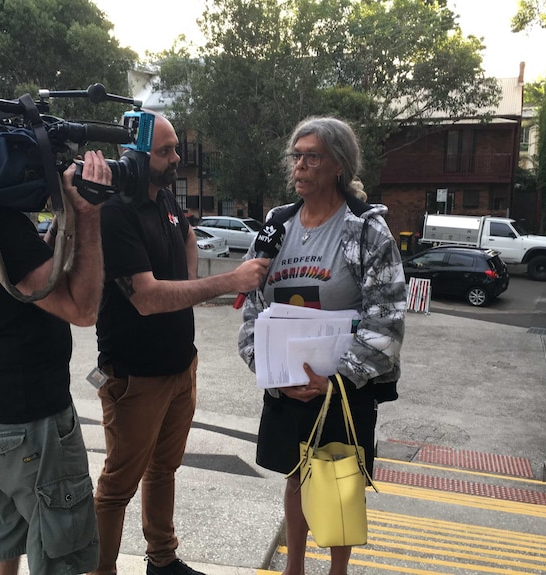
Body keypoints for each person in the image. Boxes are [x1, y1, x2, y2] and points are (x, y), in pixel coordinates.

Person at [0, 78, 112, 575]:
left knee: (3, 536)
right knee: (65, 552)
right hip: (31, 427)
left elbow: (31, 278)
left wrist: (62, 219)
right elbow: (82, 308)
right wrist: (89, 215)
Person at [92, 113, 270, 575]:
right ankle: (100, 570)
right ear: (135, 154)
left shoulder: (166, 198)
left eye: (175, 150)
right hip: (135, 376)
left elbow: (187, 235)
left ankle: (162, 559)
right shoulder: (115, 212)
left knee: (163, 469)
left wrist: (186, 283)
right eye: (165, 152)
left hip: (179, 366)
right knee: (117, 485)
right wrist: (225, 281)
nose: (175, 159)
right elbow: (147, 299)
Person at [238, 116, 406, 575]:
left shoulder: (367, 231)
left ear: (338, 166)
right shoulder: (276, 226)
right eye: (297, 156)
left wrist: (336, 379)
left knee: (337, 481)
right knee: (296, 478)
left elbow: (386, 316)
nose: (300, 166)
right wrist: (268, 367)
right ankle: (293, 567)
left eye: (312, 157)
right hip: (289, 384)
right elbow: (253, 304)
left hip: (341, 388)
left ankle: (336, 571)